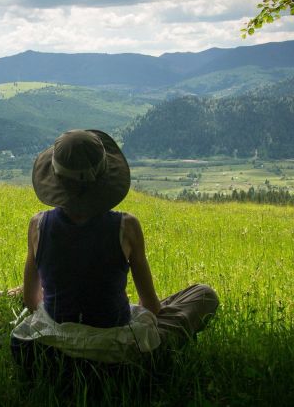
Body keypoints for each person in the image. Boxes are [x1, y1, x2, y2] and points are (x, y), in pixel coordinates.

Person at [11, 129, 219, 374]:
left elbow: (31, 301)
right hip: (118, 355)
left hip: (52, 348)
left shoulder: (38, 226)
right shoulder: (126, 227)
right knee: (204, 295)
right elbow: (151, 307)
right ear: (104, 180)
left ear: (55, 179)